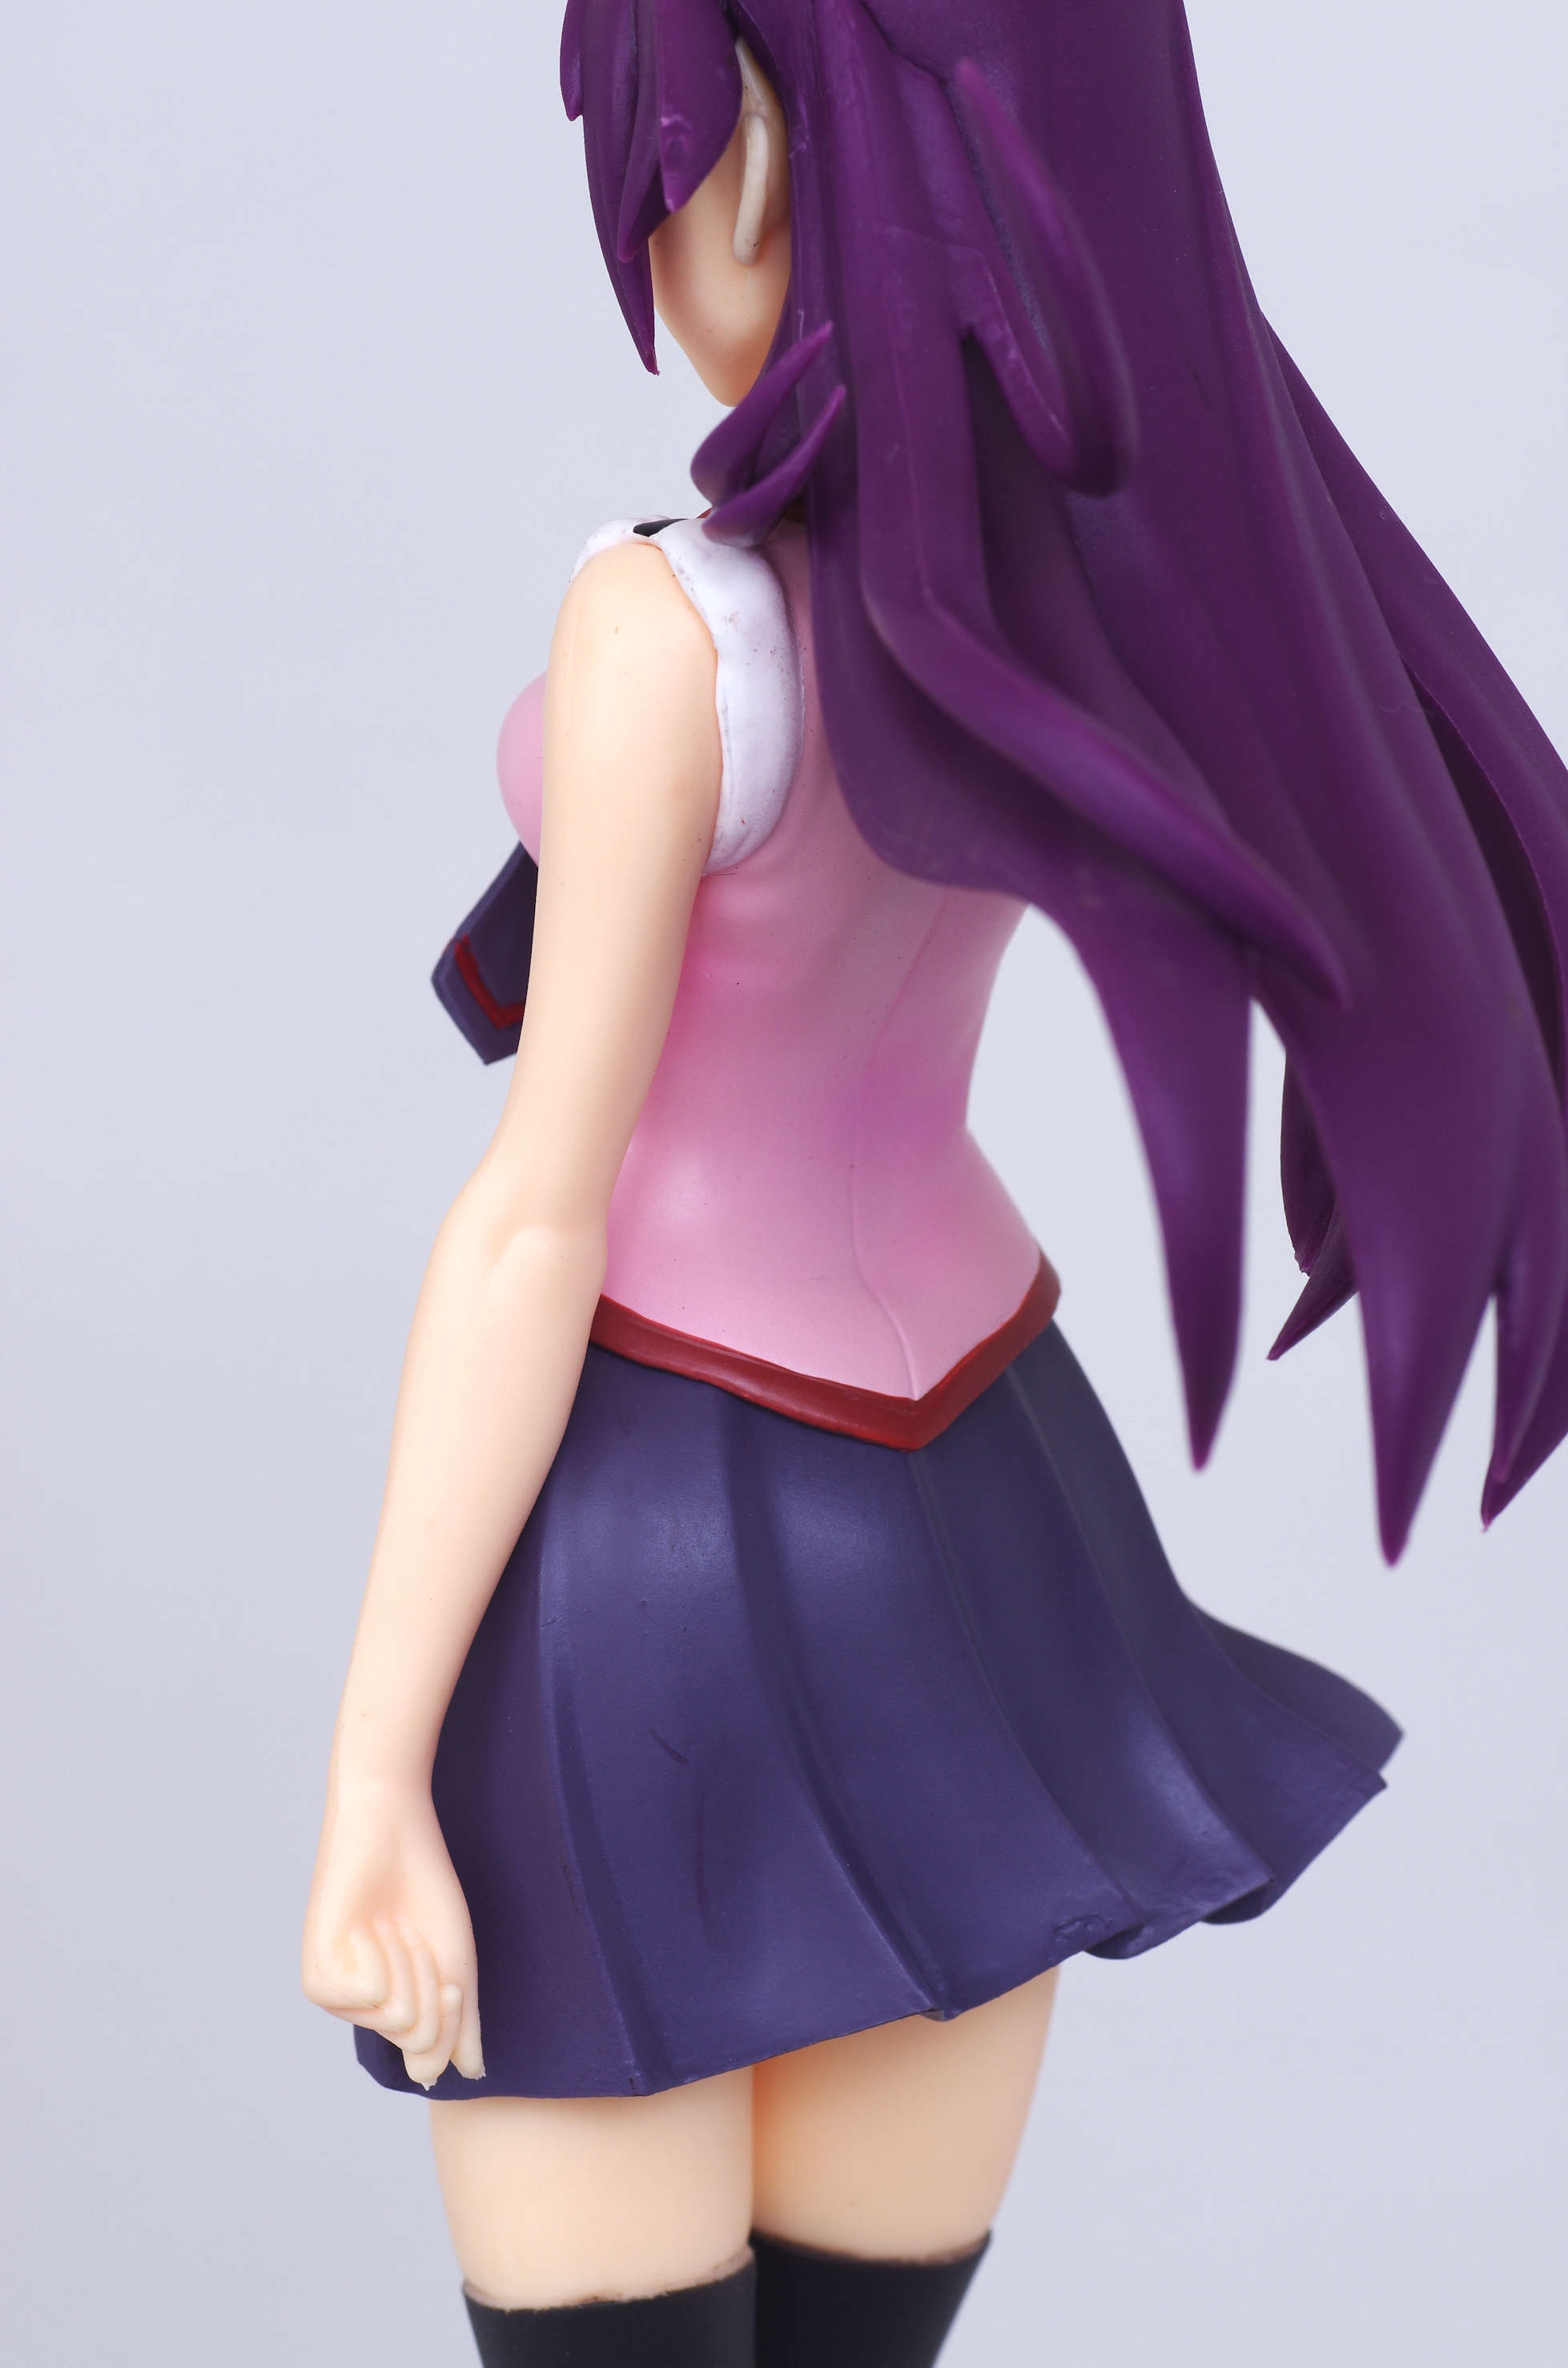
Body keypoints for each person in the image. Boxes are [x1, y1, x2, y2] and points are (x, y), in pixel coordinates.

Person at [303, 8, 1568, 2363]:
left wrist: (376, 1768)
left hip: (659, 1528)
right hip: (994, 1519)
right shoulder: (1070, 613)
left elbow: (538, 1218)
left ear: (765, 179)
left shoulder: (667, 632)